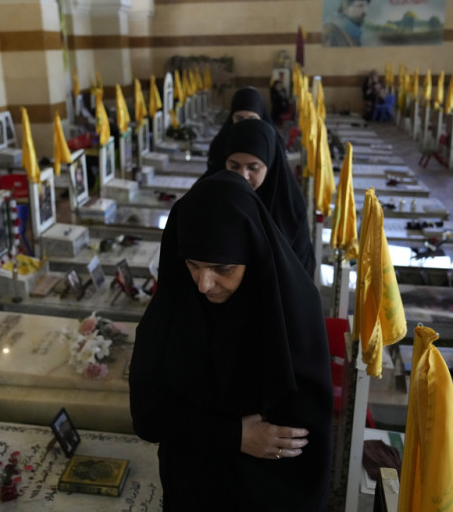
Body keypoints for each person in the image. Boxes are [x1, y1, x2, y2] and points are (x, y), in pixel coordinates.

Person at [130, 171, 333, 511]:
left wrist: (197, 431)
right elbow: (147, 416)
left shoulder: (293, 314)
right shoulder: (174, 307)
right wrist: (233, 436)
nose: (203, 284)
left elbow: (301, 446)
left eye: (222, 268)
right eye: (194, 265)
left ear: (253, 256)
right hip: (190, 490)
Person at [222, 119, 315, 276]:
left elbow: (300, 270)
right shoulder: (215, 198)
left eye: (253, 168)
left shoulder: (290, 210)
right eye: (234, 166)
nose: (242, 176)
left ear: (270, 165)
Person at [204, 86, 274, 174]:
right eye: (239, 119)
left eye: (252, 119)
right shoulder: (220, 144)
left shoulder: (273, 145)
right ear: (232, 118)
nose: (245, 124)